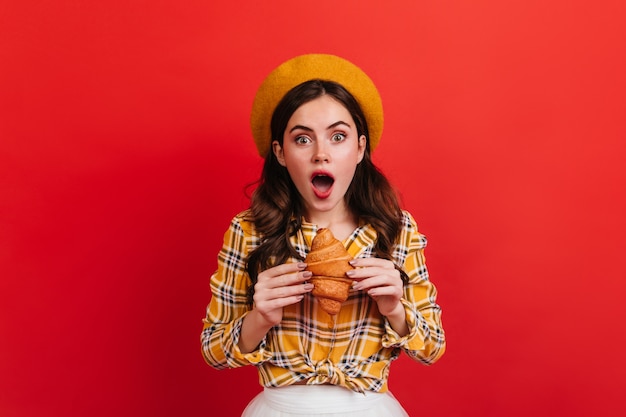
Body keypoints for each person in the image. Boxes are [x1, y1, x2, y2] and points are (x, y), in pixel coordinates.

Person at [201, 53, 446, 417]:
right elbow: (213, 351)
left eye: (338, 136)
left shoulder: (396, 230)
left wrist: (395, 307)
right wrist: (259, 318)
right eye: (303, 140)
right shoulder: (249, 230)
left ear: (360, 148)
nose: (321, 154)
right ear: (281, 153)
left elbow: (432, 348)